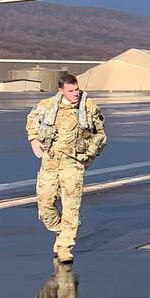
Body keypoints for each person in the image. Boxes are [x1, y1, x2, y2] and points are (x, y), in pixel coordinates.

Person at [26, 72, 107, 263]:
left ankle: (65, 247)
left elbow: (101, 134)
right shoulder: (47, 106)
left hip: (73, 163)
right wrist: (33, 139)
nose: (75, 93)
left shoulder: (88, 107)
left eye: (77, 89)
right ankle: (62, 231)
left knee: (71, 206)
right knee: (45, 203)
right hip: (50, 161)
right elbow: (32, 121)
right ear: (61, 90)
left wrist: (89, 155)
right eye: (71, 91)